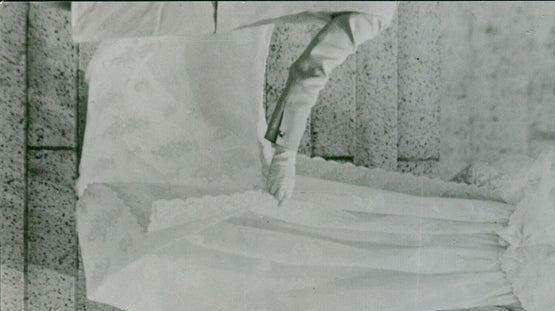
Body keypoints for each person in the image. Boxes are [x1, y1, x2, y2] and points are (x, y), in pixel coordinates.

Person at [73, 4, 555, 311]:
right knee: (305, 263)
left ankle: (180, 184)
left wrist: (476, 210)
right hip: (409, 274)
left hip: (411, 211)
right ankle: (170, 228)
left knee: (308, 196)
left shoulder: (539, 211)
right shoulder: (545, 300)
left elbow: (477, 178)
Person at [70, 1, 398, 204]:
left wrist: (285, 155)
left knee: (90, 8)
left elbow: (311, 71)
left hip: (207, 10)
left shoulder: (375, 9)